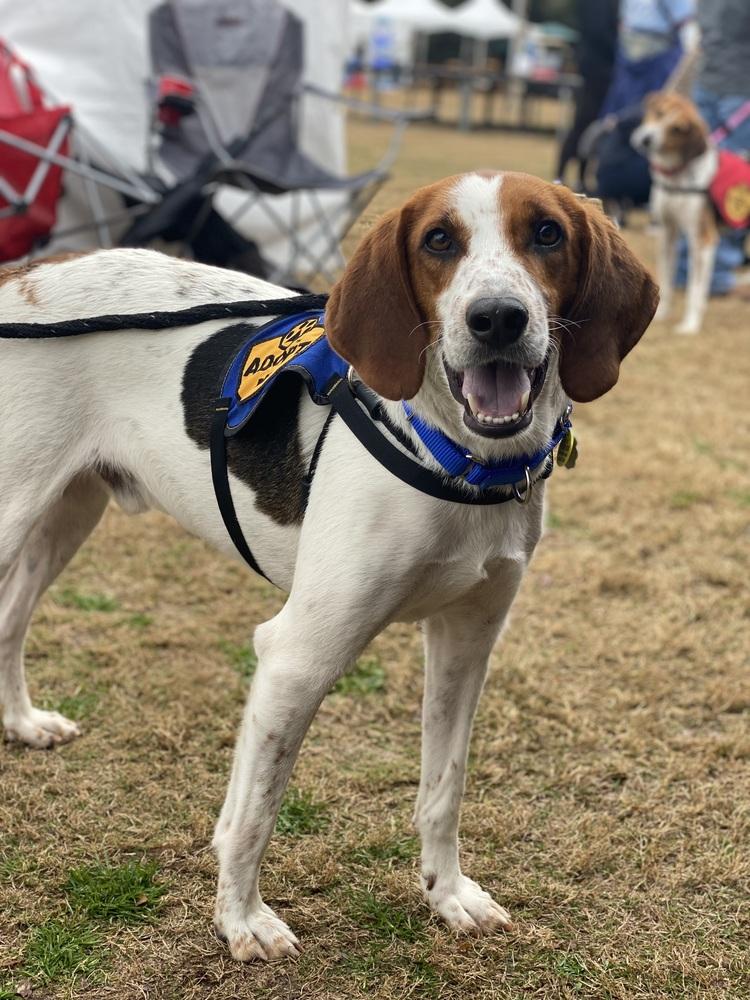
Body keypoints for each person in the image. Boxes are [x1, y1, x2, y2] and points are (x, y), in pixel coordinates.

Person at [677, 0, 750, 294]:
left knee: (695, 181)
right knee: (734, 182)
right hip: (740, 88)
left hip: (706, 84)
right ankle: (718, 271)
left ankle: (687, 266)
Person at [556, 0, 619, 187]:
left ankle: (580, 176)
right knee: (584, 122)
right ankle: (563, 175)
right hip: (599, 67)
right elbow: (599, 30)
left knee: (591, 124)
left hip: (599, 66)